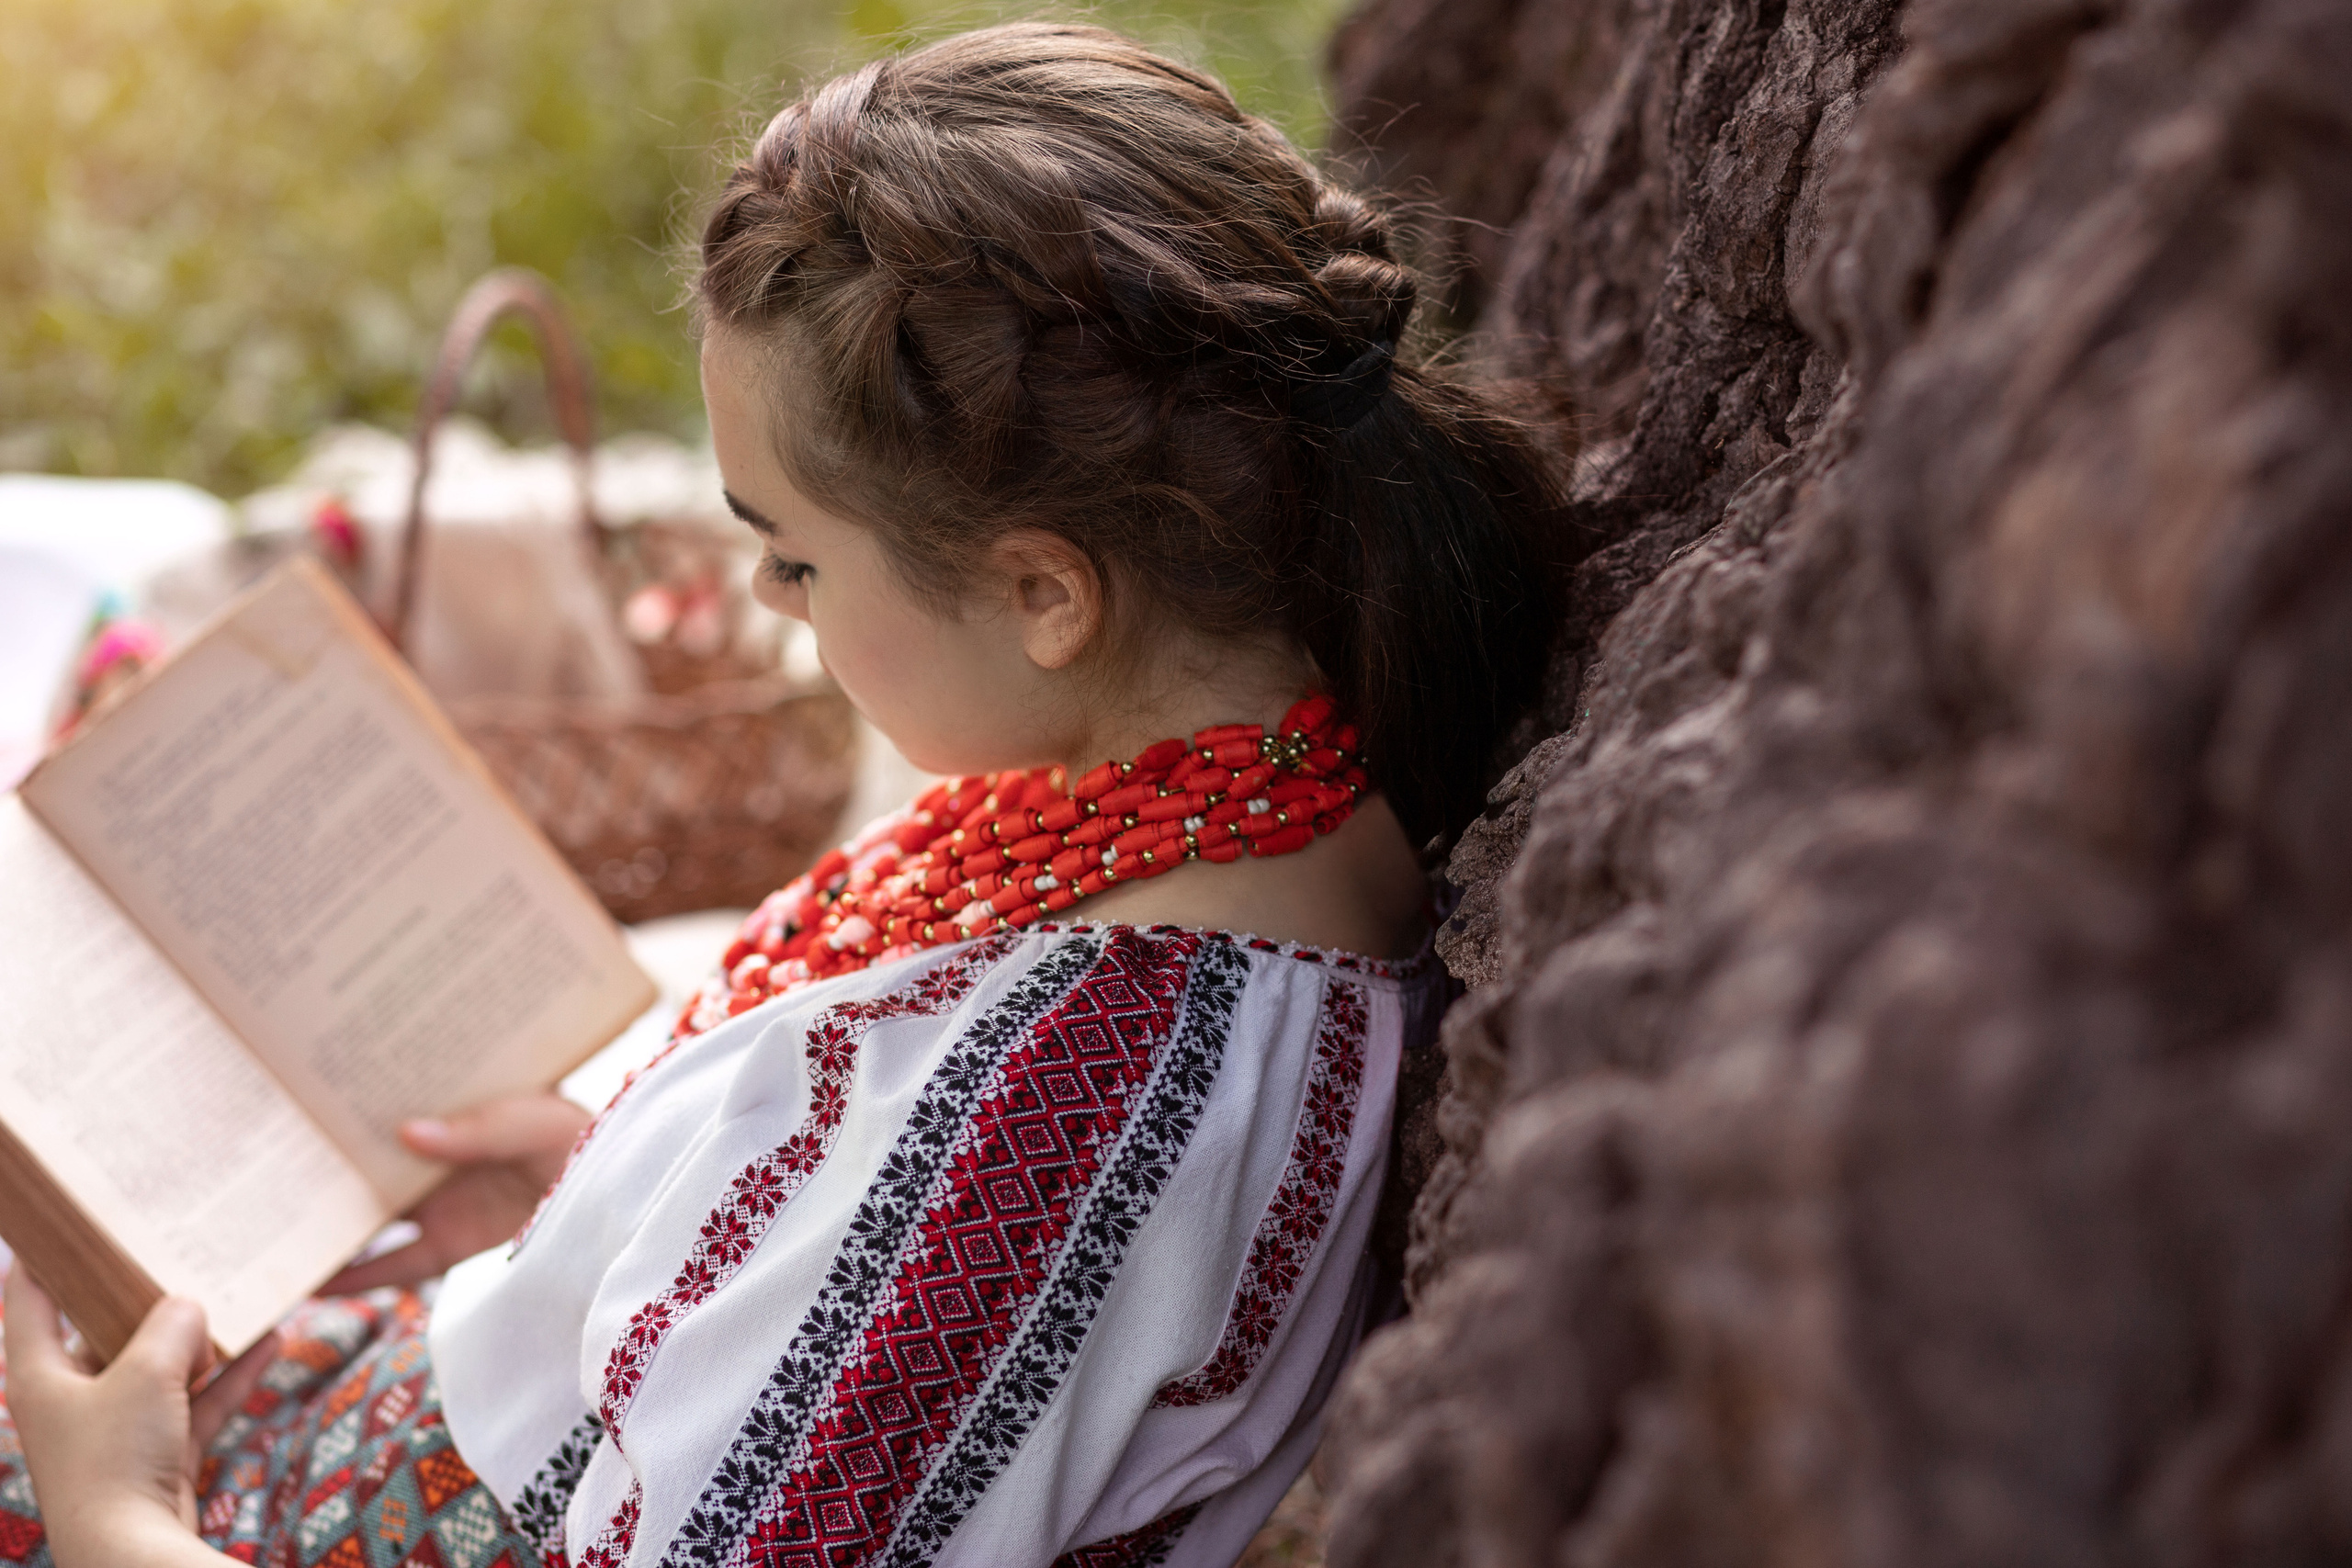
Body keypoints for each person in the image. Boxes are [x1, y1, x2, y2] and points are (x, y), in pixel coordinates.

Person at [0, 22, 1561, 1568]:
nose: (760, 590)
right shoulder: (1243, 824)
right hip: (453, 1407)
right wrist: (618, 1211)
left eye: (795, 554)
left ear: (1041, 592)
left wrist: (115, 1521)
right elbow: (848, 1318)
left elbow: (919, 1301)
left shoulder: (1068, 1121)